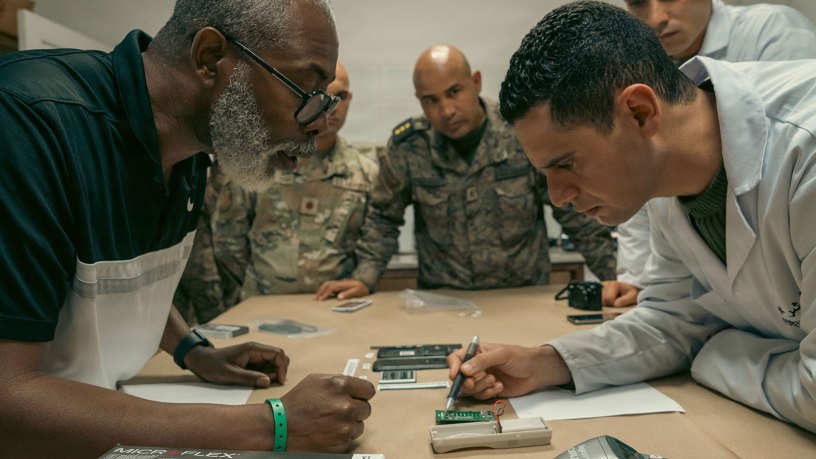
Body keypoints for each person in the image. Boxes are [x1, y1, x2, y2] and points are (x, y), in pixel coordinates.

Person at [0, 0, 375, 456]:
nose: (316, 128)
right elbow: (9, 393)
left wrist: (193, 351)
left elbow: (124, 283)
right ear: (210, 58)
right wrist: (270, 424)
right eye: (305, 91)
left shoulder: (194, 142)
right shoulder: (27, 124)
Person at [449, 0, 816, 435]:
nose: (558, 197)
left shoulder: (804, 153)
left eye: (566, 164)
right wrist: (546, 363)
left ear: (639, 111)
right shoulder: (660, 171)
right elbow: (676, 320)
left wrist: (714, 353)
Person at [315, 44, 616, 301]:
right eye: (431, 100)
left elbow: (574, 212)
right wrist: (364, 277)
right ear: (419, 100)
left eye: (454, 92)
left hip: (522, 298)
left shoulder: (521, 135)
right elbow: (383, 217)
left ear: (476, 82)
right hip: (444, 303)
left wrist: (615, 274)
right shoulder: (409, 146)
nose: (446, 111)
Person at [605, 0, 816, 307]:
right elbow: (638, 175)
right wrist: (634, 276)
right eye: (638, 3)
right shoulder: (637, 61)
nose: (656, 18)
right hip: (710, 289)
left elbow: (797, 152)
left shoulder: (772, 33)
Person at [208, 61, 379, 303]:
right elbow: (229, 241)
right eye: (322, 97)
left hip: (333, 305)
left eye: (340, 97)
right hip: (263, 303)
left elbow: (372, 242)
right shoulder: (264, 162)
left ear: (349, 99)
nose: (332, 107)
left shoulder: (365, 173)